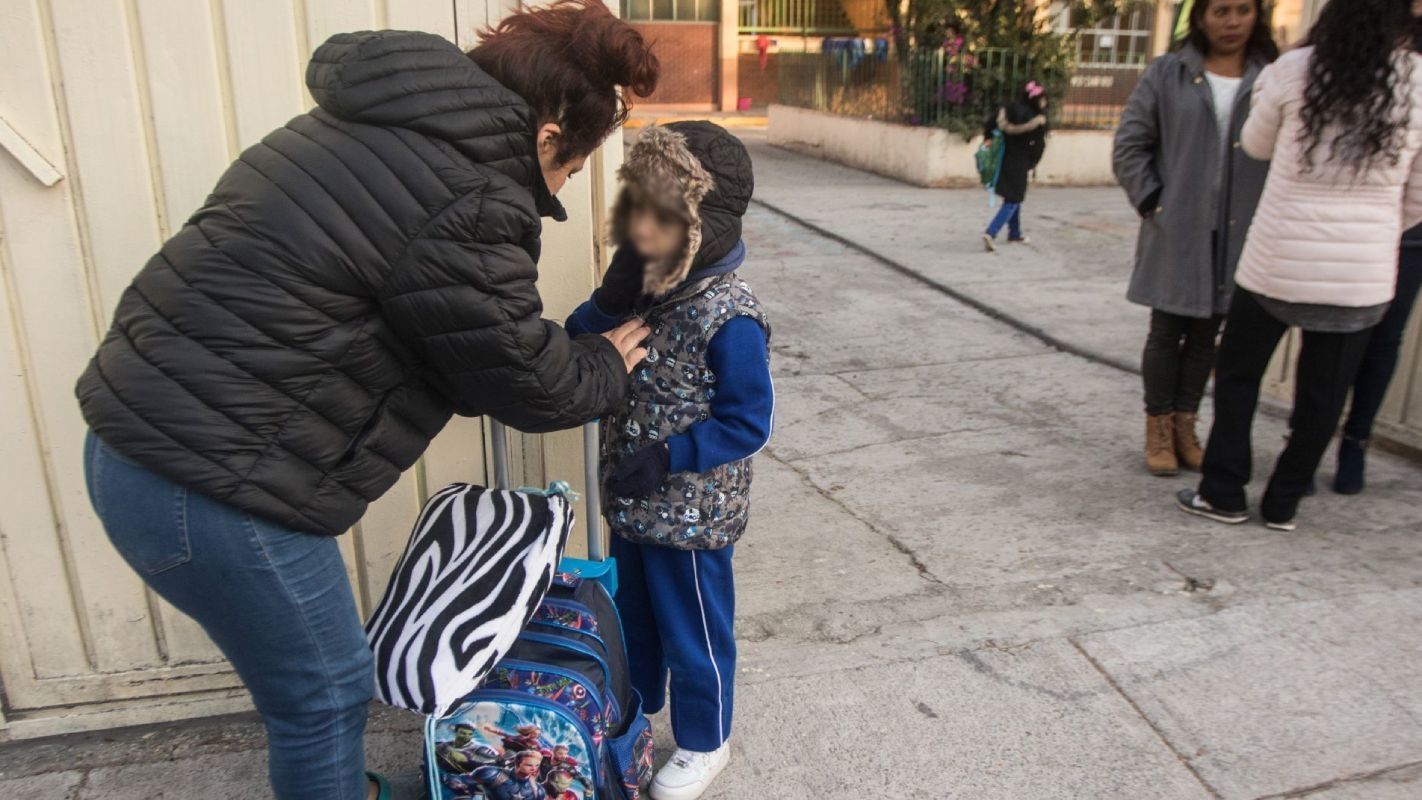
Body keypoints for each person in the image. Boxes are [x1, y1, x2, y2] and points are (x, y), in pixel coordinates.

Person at [73, 3, 658, 799]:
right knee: (324, 694)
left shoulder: (348, 126)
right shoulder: (472, 193)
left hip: (137, 453)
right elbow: (522, 377)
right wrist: (603, 364)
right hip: (210, 489)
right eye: (569, 171)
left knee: (315, 684)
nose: (556, 194)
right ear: (549, 136)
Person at [565, 122, 770, 800]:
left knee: (695, 634)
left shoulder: (730, 315)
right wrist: (611, 297)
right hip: (628, 497)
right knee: (634, 623)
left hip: (690, 516)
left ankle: (706, 740)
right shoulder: (645, 287)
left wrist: (672, 455)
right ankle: (637, 707)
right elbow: (577, 339)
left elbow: (749, 421)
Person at [1178, 0, 1422, 530]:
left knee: (1239, 376)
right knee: (1324, 395)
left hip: (1276, 261)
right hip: (1361, 277)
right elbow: (1418, 196)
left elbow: (1256, 145)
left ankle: (1223, 492)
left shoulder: (1294, 69)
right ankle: (1284, 502)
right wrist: (1373, 231)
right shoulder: (1419, 82)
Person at [1114, 0, 1278, 476]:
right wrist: (1153, 202)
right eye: (1220, 11)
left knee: (1208, 333)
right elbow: (1130, 143)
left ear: (1256, 15)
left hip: (1240, 228)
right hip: (1178, 225)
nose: (1231, 22)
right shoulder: (1169, 72)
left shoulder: (1270, 75)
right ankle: (1159, 428)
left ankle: (1187, 424)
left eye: (1242, 10)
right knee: (1167, 331)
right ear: (1201, 17)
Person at [1332, 224, 1422, 493]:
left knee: (1386, 337)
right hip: (1358, 226)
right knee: (1331, 335)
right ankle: (1308, 440)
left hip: (1412, 232)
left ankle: (1356, 439)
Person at [982, 81, 1049, 252]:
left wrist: (988, 140)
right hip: (1021, 160)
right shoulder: (1038, 118)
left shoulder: (1009, 109)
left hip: (1004, 156)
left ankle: (1014, 232)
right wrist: (1032, 163)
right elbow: (1039, 145)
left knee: (1013, 195)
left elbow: (989, 125)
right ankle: (991, 232)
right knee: (1014, 198)